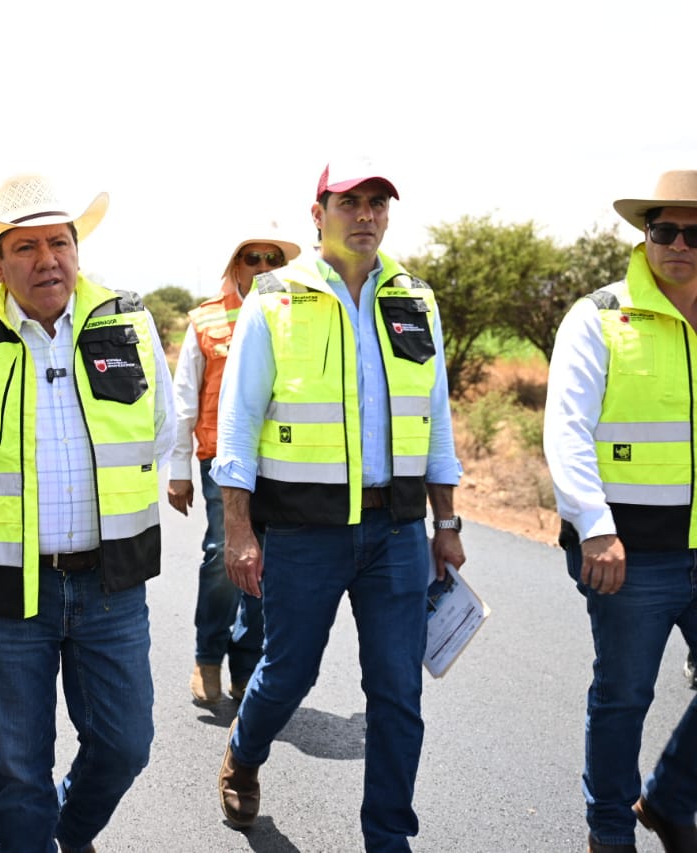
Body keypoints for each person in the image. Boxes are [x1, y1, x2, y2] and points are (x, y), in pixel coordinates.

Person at [213, 159, 465, 852]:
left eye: (378, 201)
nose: (366, 214)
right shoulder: (276, 298)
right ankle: (246, 748)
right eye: (349, 200)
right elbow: (238, 422)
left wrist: (446, 523)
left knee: (397, 693)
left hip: (398, 529)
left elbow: (435, 418)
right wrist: (239, 527)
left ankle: (388, 836)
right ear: (317, 211)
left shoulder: (415, 298)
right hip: (304, 529)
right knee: (288, 672)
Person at [0, 173, 176, 853]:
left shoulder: (126, 322)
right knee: (18, 766)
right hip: (13, 590)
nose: (48, 260)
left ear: (76, 249)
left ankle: (70, 829)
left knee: (126, 744)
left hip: (111, 584)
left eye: (59, 242)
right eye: (27, 247)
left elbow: (159, 430)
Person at [545, 169, 697, 853]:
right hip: (628, 552)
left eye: (695, 233)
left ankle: (667, 798)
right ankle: (609, 828)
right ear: (645, 234)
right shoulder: (600, 315)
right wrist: (595, 528)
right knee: (624, 695)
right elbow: (567, 430)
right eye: (664, 229)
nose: (678, 244)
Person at [169, 230, 300, 706]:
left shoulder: (299, 316)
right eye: (253, 257)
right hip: (220, 457)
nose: (264, 264)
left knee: (267, 564)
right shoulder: (207, 319)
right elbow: (185, 396)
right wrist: (178, 467)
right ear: (235, 265)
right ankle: (208, 658)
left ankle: (247, 668)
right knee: (222, 555)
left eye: (273, 258)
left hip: (281, 461)